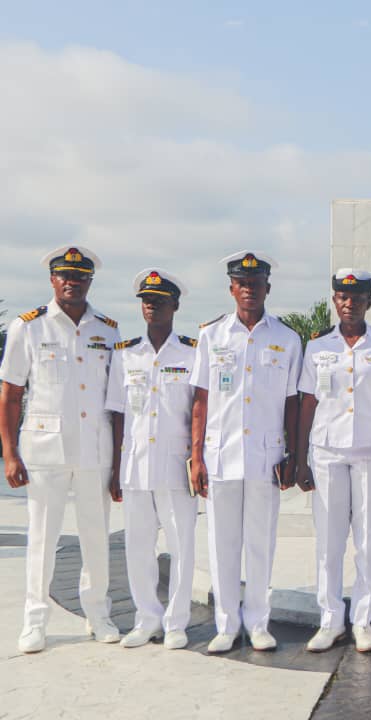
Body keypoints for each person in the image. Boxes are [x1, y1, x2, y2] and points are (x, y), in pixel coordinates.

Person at [1, 245, 121, 653]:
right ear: (53, 280)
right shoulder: (29, 327)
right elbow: (11, 394)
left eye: (80, 276)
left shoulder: (107, 330)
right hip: (45, 449)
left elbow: (115, 399)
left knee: (96, 536)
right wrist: (10, 453)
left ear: (90, 281)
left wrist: (118, 461)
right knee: (42, 537)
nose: (72, 282)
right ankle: (35, 620)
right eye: (65, 275)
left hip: (94, 449)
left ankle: (98, 613)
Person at [189, 251, 302, 653]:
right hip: (221, 455)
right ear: (231, 288)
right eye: (242, 284)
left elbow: (292, 402)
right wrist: (196, 456)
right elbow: (200, 401)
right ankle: (226, 624)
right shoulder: (211, 336)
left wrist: (293, 454)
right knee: (222, 544)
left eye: (256, 284)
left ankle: (257, 622)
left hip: (266, 457)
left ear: (267, 288)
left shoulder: (286, 339)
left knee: (260, 543)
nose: (249, 290)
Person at [295, 269, 371, 653]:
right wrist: (301, 459)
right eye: (343, 296)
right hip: (327, 453)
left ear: (369, 302)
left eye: (357, 297)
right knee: (329, 541)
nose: (349, 303)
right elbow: (308, 402)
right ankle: (330, 620)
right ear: (334, 300)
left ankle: (364, 620)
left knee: (369, 540)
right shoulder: (317, 346)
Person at [105, 269, 198, 650]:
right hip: (136, 464)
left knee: (182, 547)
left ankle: (176, 622)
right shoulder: (126, 354)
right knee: (138, 547)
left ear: (175, 305)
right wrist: (115, 468)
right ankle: (147, 619)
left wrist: (197, 459)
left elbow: (198, 411)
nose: (151, 306)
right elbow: (117, 414)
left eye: (159, 301)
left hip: (176, 466)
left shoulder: (192, 352)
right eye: (146, 300)